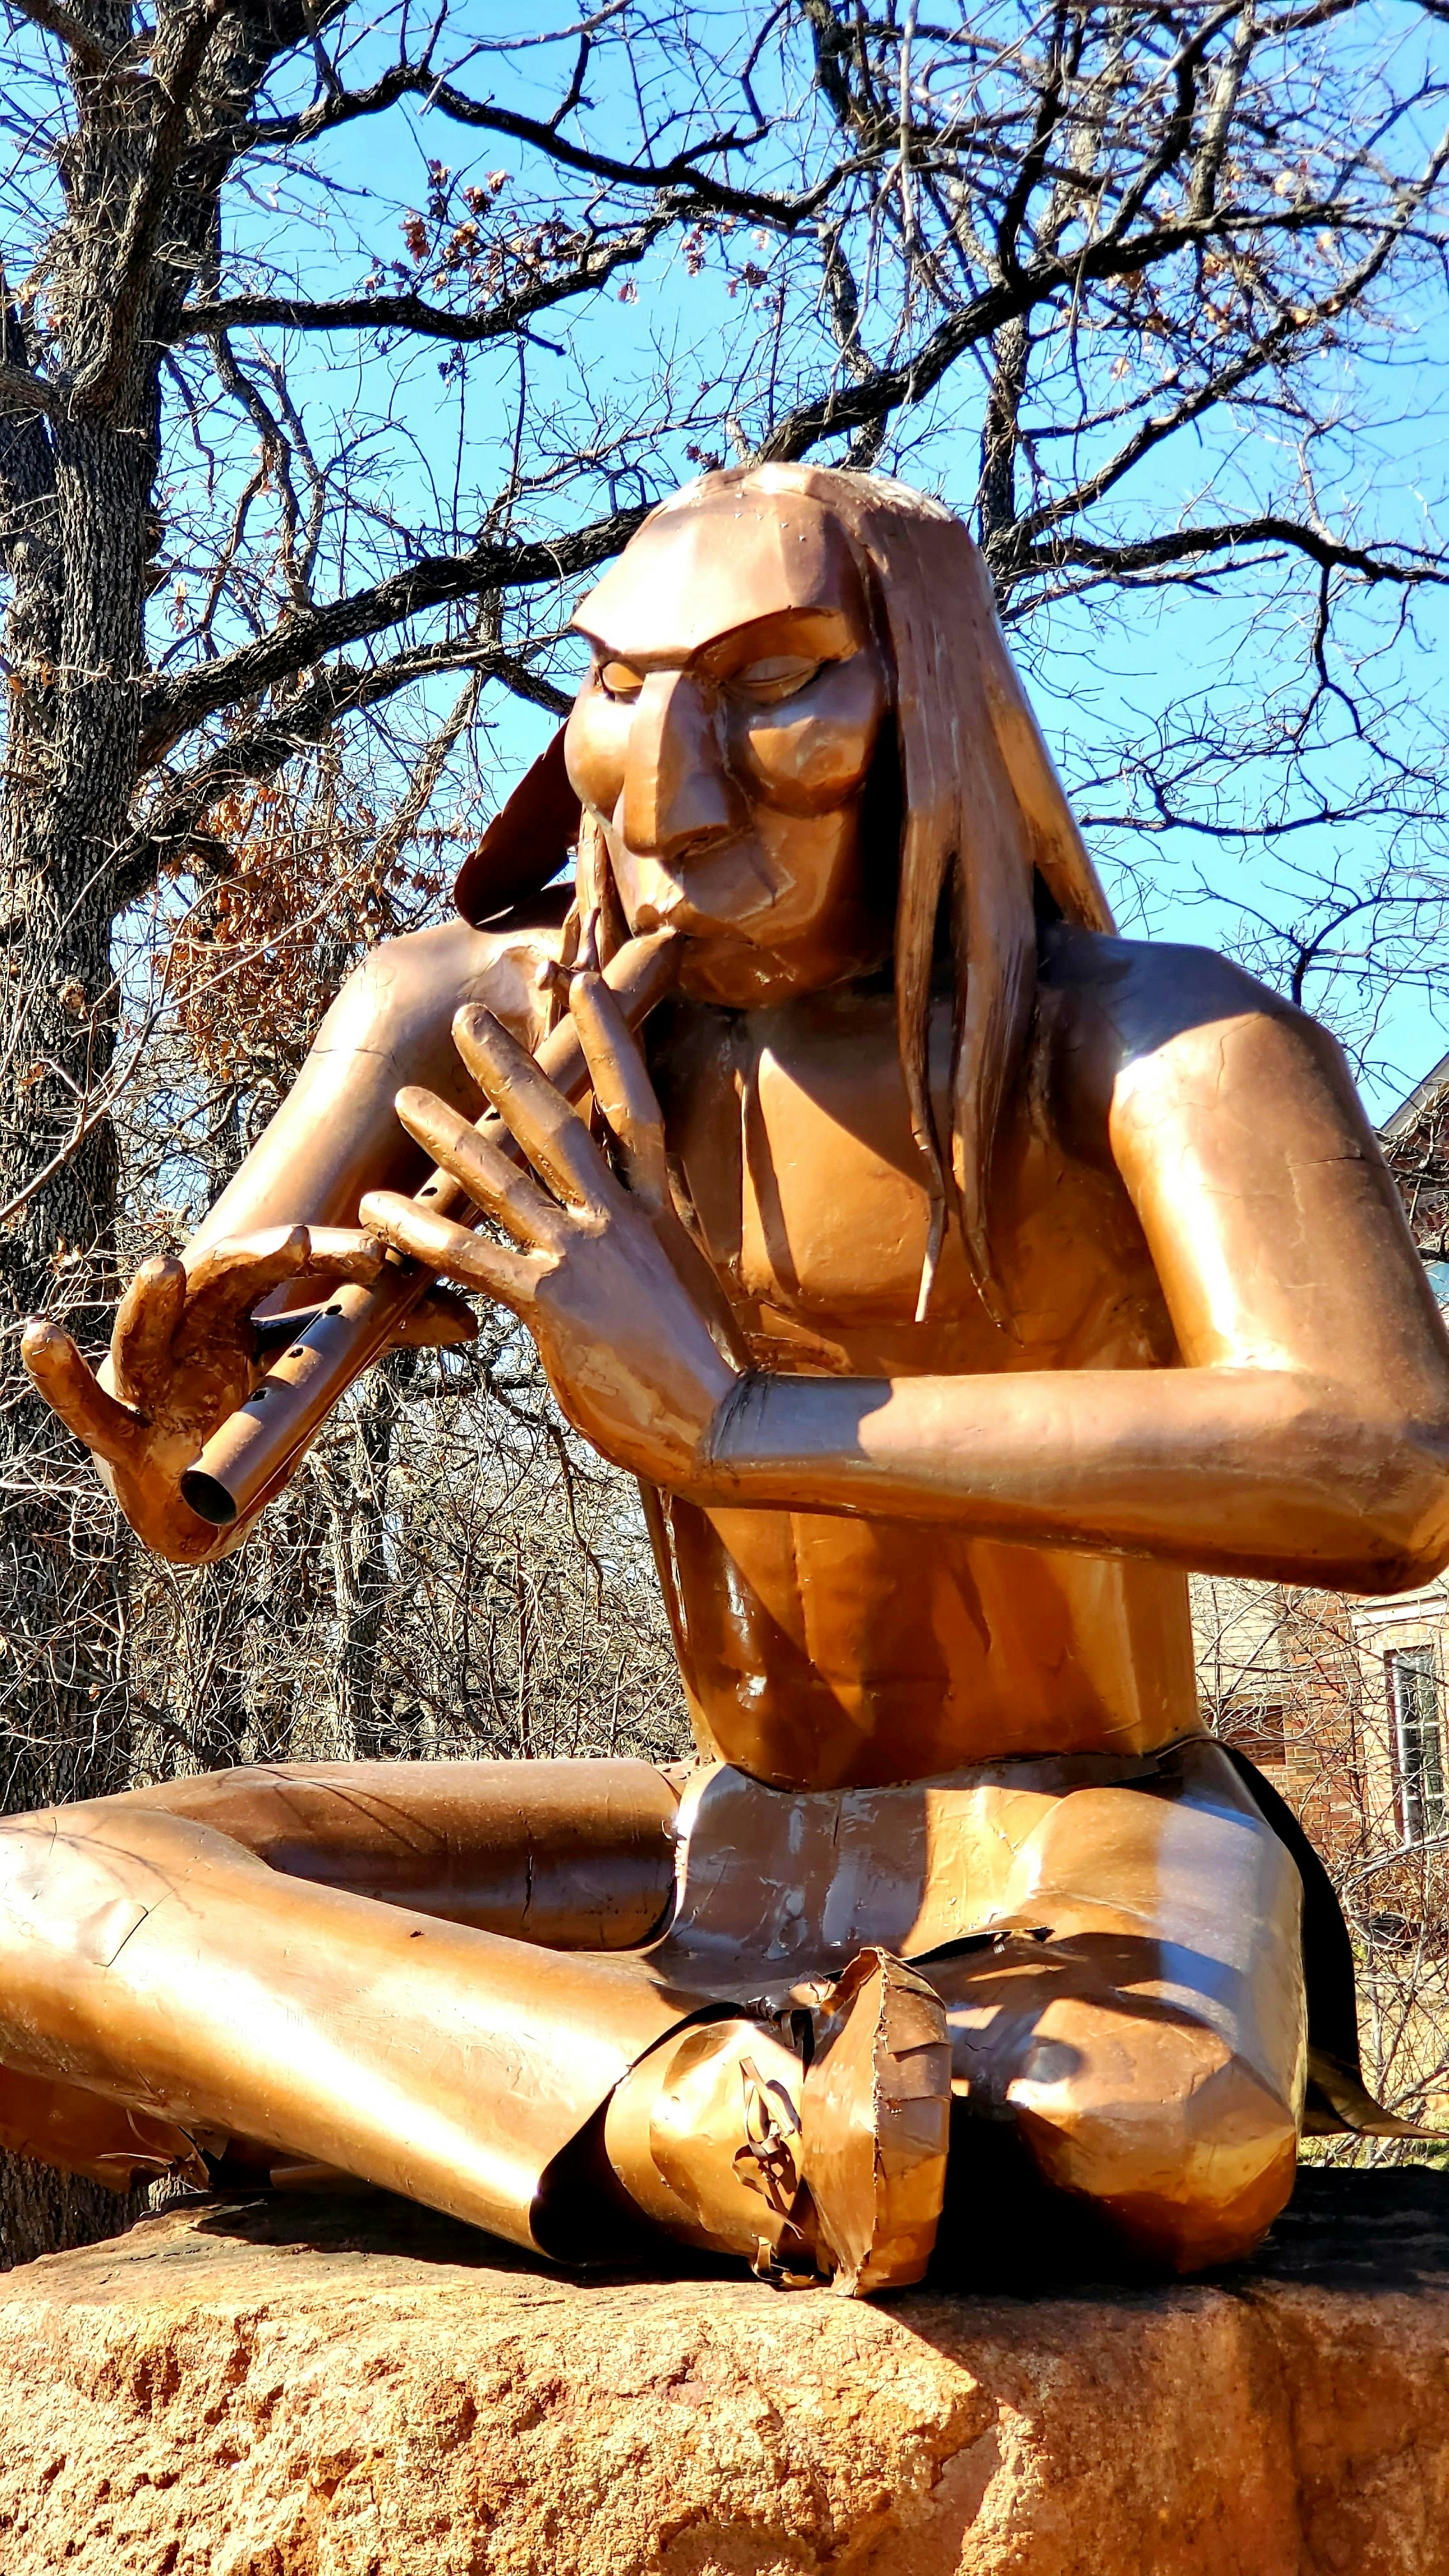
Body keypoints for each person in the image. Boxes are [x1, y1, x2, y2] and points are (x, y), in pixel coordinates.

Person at [10, 465, 1449, 2296]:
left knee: (1143, 2132)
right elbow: (209, 1436)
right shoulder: (461, 1009)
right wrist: (178, 1452)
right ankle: (705, 2123)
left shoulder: (1157, 1036)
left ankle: (546, 2102)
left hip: (1081, 1834)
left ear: (929, 706)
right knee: (29, 1900)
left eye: (773, 690)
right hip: (715, 1831)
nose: (668, 791)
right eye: (619, 687)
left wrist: (736, 1424)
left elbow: (1388, 1464)